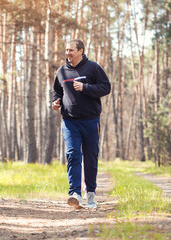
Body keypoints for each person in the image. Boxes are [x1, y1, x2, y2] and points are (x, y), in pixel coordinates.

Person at [52, 39, 111, 209]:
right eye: (66, 50)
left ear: (80, 51)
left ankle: (90, 193)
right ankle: (75, 193)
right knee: (72, 154)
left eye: (71, 50)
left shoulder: (93, 68)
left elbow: (106, 87)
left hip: (91, 120)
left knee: (90, 156)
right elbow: (57, 91)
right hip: (70, 121)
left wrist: (85, 88)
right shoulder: (61, 71)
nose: (68, 53)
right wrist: (55, 102)